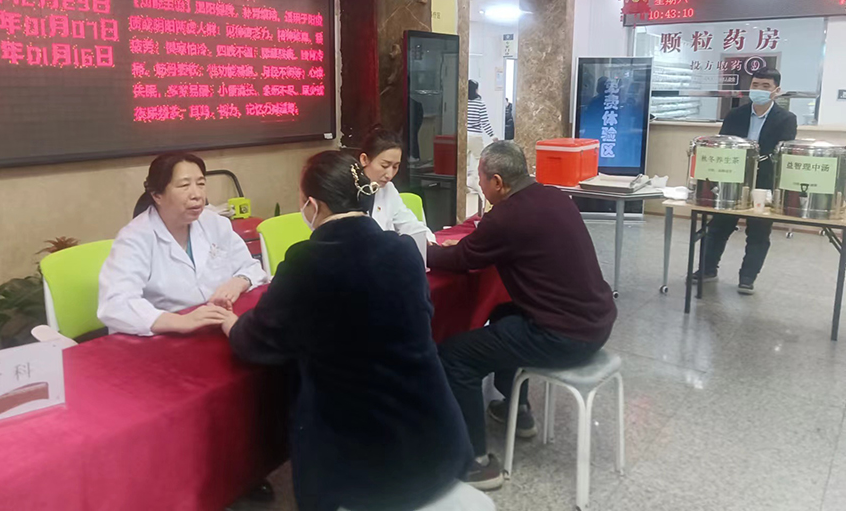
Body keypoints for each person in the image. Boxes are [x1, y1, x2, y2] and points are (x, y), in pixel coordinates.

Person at [221, 151, 491, 511]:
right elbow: (421, 314)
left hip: (366, 467)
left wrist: (231, 325)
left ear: (312, 205)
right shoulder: (403, 249)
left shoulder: (306, 261)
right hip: (438, 442)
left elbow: (259, 341)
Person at [429, 141, 617, 490]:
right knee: (503, 313)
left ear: (498, 182)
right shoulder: (555, 197)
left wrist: (418, 249)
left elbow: (462, 259)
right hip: (596, 321)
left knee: (454, 356)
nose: (480, 185)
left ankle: (474, 462)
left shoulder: (506, 217)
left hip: (562, 335)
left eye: (481, 179)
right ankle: (517, 408)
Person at [98, 152, 269, 336]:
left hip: (216, 324)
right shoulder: (134, 238)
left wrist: (238, 283)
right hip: (165, 336)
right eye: (184, 185)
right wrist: (180, 321)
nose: (197, 195)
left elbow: (251, 267)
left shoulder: (215, 223)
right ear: (157, 195)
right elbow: (116, 304)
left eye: (201, 184)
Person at [696, 67, 797, 294]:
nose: (759, 90)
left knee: (759, 232)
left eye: (765, 86)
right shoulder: (735, 115)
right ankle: (707, 270)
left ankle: (747, 278)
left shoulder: (786, 119)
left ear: (776, 90)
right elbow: (721, 145)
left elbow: (782, 153)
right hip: (732, 179)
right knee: (718, 226)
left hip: (764, 182)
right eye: (755, 85)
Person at [359, 127, 436, 243]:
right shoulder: (346, 190)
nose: (389, 175)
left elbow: (409, 223)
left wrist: (427, 241)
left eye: (395, 167)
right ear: (364, 159)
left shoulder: (388, 189)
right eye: (384, 166)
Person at [467, 80, 495, 208]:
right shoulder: (480, 104)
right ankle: (475, 181)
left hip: (463, 135)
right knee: (480, 159)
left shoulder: (463, 103)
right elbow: (485, 122)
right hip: (475, 136)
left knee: (464, 161)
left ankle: (464, 184)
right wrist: (493, 136)